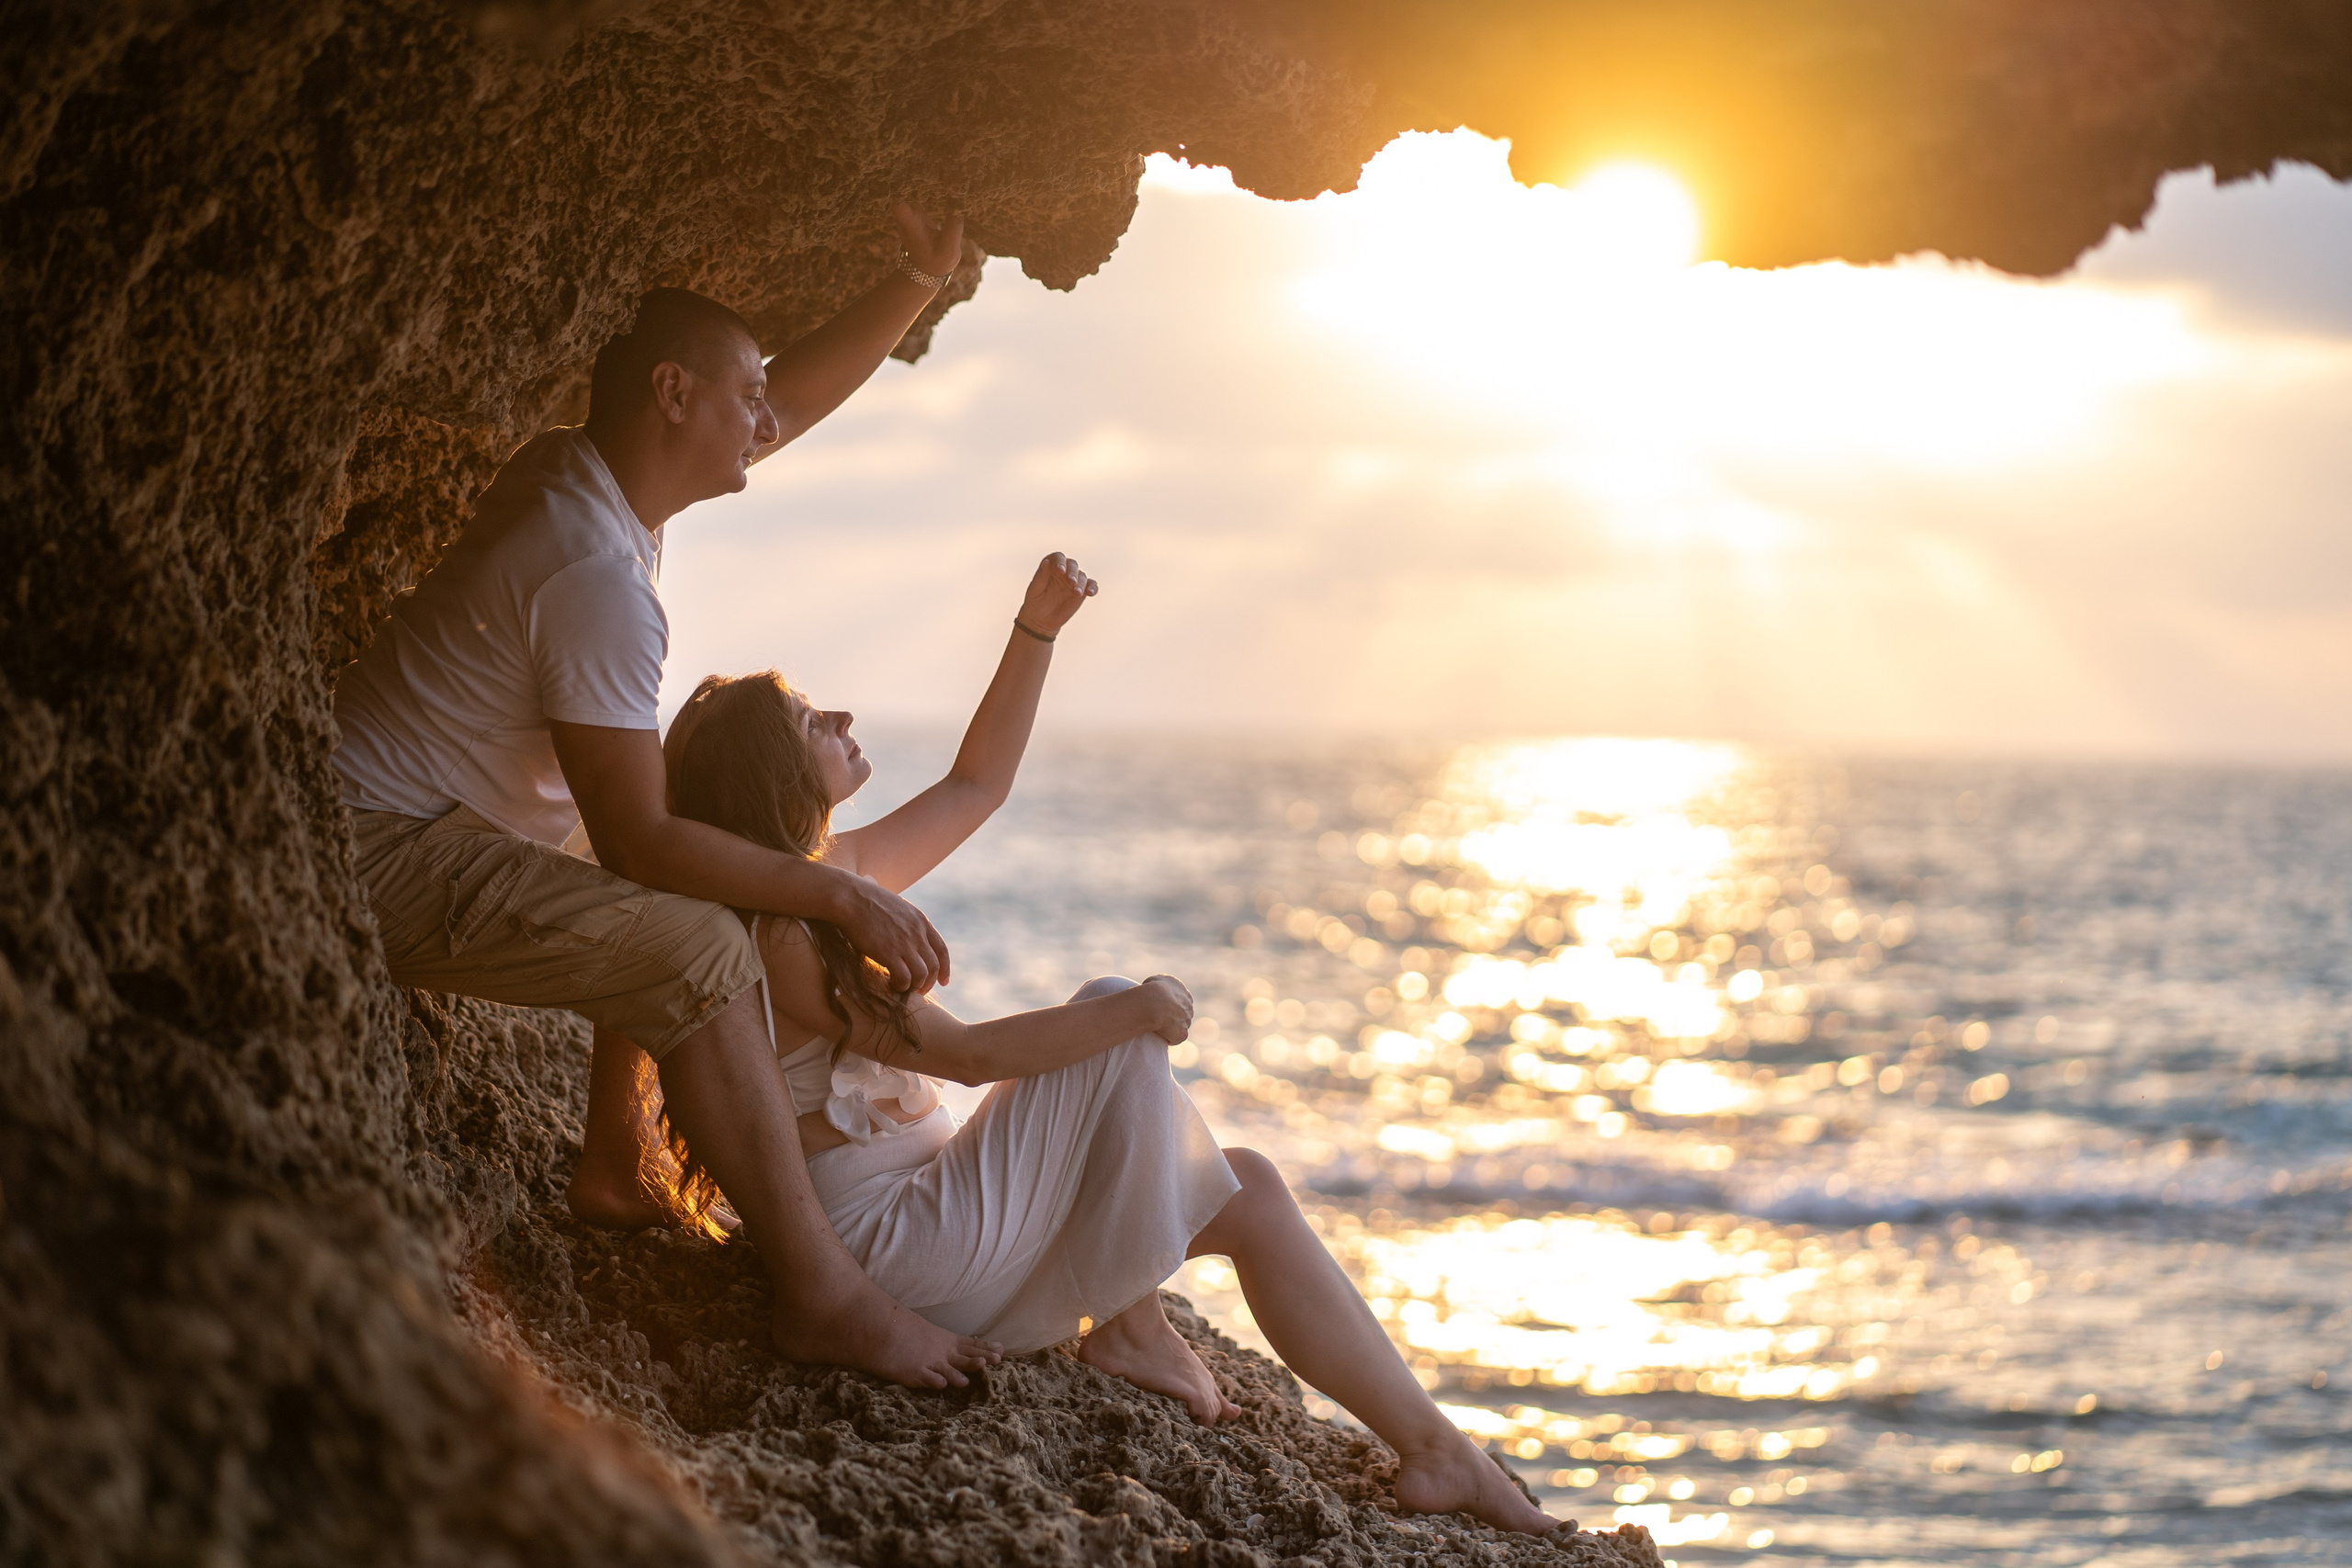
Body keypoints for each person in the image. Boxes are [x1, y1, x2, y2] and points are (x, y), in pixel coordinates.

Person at [658, 560, 1560, 1536]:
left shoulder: (838, 878)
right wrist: (1137, 1013)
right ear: (771, 778)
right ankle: (1131, 1320)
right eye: (807, 723)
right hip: (896, 1251)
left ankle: (1435, 1451)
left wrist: (1034, 630)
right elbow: (964, 1058)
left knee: (1246, 1188)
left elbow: (978, 784)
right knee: (1106, 1006)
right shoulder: (780, 935)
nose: (837, 718)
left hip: (946, 1213)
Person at [334, 203, 1002, 1390]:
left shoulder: (583, 485)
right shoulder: (599, 575)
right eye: (741, 393)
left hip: (408, 820)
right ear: (672, 394)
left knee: (677, 864)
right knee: (697, 939)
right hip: (374, 854)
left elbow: (784, 398)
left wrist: (914, 277)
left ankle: (612, 1158)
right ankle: (823, 1290)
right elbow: (641, 838)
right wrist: (840, 898)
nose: (766, 415)